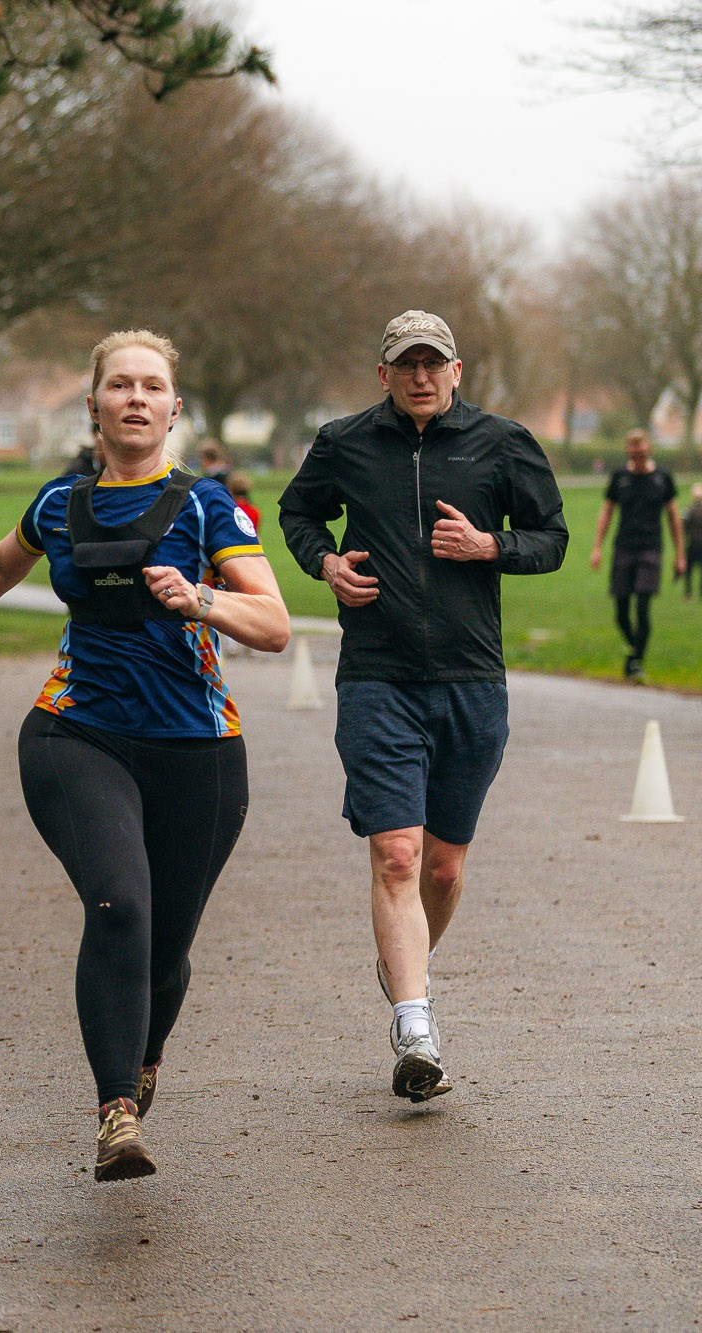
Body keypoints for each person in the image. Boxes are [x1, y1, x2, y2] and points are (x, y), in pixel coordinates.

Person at [0, 330, 290, 1179]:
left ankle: (142, 1059)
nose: (136, 398)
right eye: (120, 386)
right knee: (117, 904)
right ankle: (116, 1113)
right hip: (77, 733)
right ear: (94, 404)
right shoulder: (59, 504)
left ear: (174, 408)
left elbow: (275, 625)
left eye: (152, 387)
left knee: (166, 950)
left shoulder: (209, 506)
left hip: (198, 752)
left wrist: (202, 597)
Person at [278, 309, 567, 1104]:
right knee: (397, 854)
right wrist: (327, 562)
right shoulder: (344, 443)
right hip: (376, 676)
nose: (419, 376)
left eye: (432, 363)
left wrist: (491, 546)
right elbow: (296, 513)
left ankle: (403, 964)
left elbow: (552, 538)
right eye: (405, 363)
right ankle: (415, 1023)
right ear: (383, 375)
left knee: (442, 865)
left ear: (456, 370)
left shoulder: (502, 443)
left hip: (474, 683)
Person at [591, 429, 685, 679]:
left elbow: (674, 518)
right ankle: (634, 652)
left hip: (651, 548)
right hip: (623, 548)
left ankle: (636, 662)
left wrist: (680, 555)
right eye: (632, 446)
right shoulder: (619, 477)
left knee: (643, 605)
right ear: (627, 450)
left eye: (641, 445)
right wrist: (597, 548)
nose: (637, 450)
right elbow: (607, 512)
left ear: (649, 448)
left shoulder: (663, 478)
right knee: (621, 611)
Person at [681, 482, 702, 600]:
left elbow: (683, 527)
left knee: (688, 570)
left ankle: (688, 594)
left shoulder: (688, 511)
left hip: (691, 543)